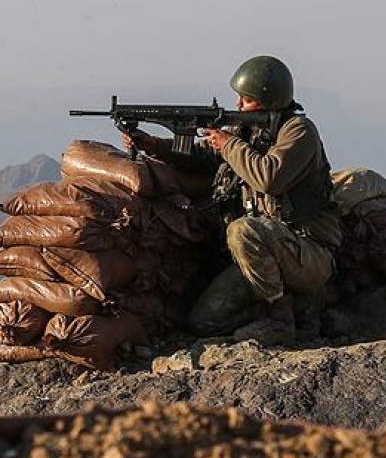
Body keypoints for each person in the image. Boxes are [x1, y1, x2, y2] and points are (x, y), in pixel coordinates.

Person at [121, 55, 341, 344]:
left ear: (269, 100)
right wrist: (156, 146)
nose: (238, 105)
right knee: (205, 321)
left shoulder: (298, 132)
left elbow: (269, 177)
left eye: (246, 100)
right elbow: (204, 156)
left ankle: (280, 321)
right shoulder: (249, 131)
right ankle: (294, 310)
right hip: (261, 255)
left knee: (241, 230)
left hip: (307, 252)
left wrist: (229, 144)